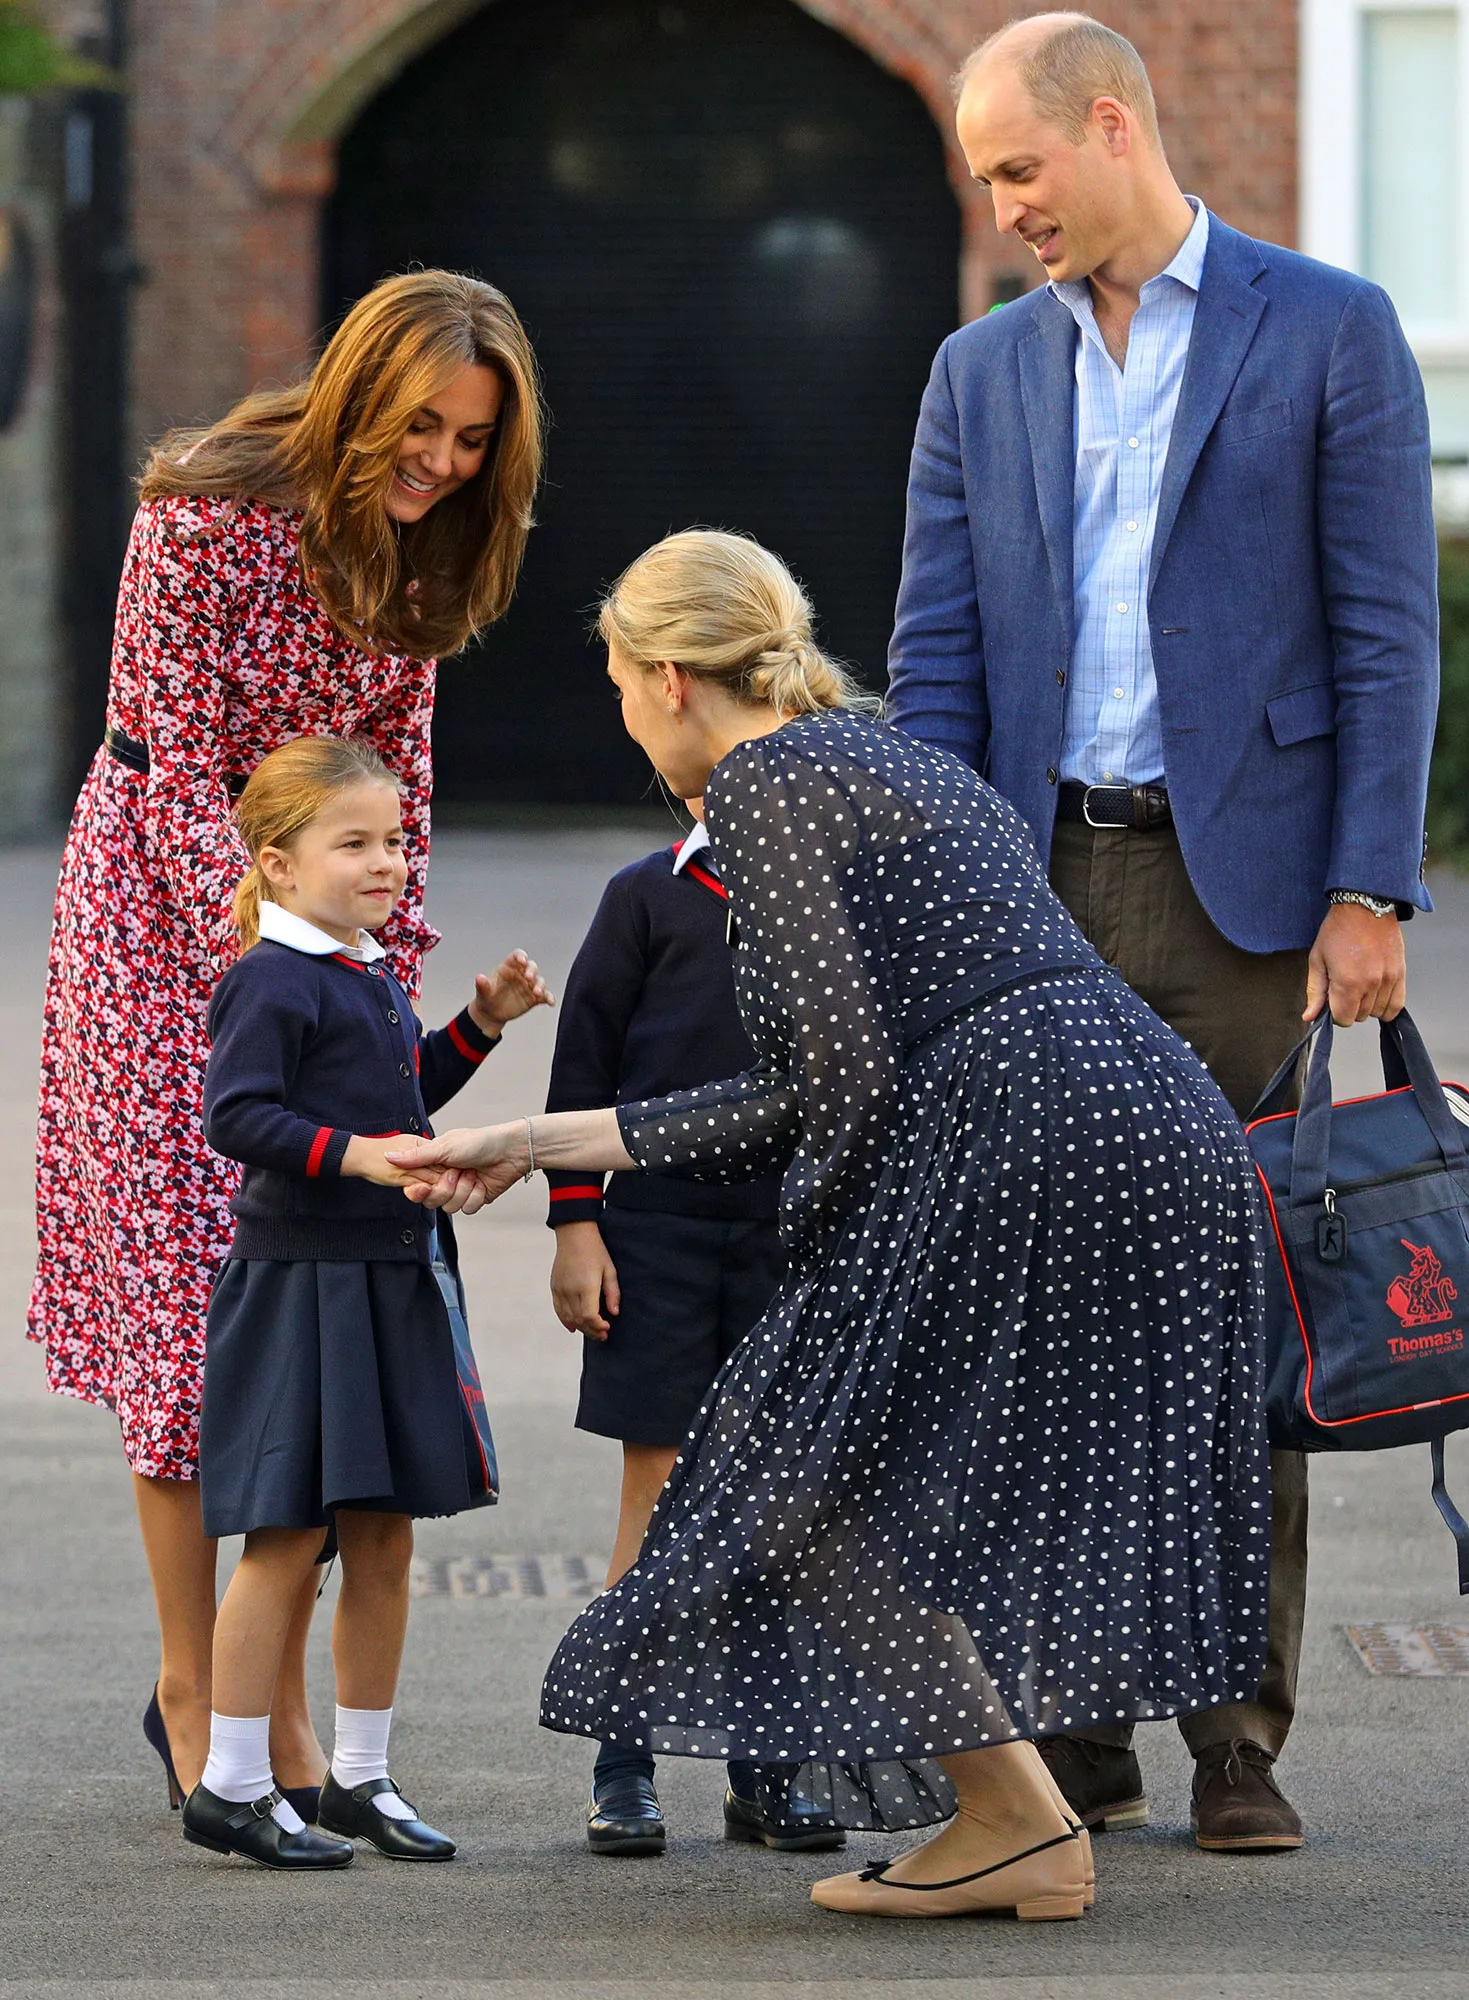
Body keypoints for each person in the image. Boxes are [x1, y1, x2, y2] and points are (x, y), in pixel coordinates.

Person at [386, 528, 1270, 1924]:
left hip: (1017, 1135)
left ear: (672, 677)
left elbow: (823, 1086)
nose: (622, 718)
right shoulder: (895, 755)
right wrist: (540, 1144)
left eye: (617, 684)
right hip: (1149, 1122)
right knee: (909, 1479)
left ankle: (1016, 1821)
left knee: (792, 1469)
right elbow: (840, 1068)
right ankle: (1021, 1819)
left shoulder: (763, 784)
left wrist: (793, 1266)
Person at [884, 13, 1439, 1852]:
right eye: (984, 183)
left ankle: (1234, 1742)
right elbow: (935, 657)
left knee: (1225, 1303)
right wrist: (933, 904)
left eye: (1015, 169)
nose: (1001, 207)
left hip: (1244, 904)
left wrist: (1366, 890)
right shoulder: (974, 373)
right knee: (1038, 1314)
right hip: (1035, 887)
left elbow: (1381, 629)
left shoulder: (1324, 325)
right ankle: (1074, 1731)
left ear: (1106, 126)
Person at [28, 268, 543, 1814]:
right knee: (199, 1332)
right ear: (358, 387)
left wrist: (381, 985)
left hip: (322, 938)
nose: (445, 461)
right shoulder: (203, 508)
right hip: (158, 928)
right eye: (427, 424)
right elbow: (178, 765)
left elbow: (405, 783)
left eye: (474, 441)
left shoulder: (429, 546)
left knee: (312, 1324)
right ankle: (202, 1697)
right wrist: (280, 964)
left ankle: (272, 1714)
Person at [181, 734, 551, 1869]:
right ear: (279, 863)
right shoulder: (268, 975)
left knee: (385, 1536)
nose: (387, 860)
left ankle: (359, 1774)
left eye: (393, 839)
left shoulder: (364, 964)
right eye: (356, 842)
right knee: (286, 1535)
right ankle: (232, 1784)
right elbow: (237, 1118)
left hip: (392, 1280)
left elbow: (397, 1095)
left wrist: (478, 1026)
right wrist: (361, 1159)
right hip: (303, 1286)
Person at [544, 800, 822, 1856]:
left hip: (789, 1238)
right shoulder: (645, 896)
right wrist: (576, 1226)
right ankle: (621, 1760)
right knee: (654, 1498)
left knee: (776, 1509)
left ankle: (765, 1767)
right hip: (650, 1232)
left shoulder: (829, 900)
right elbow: (582, 1073)